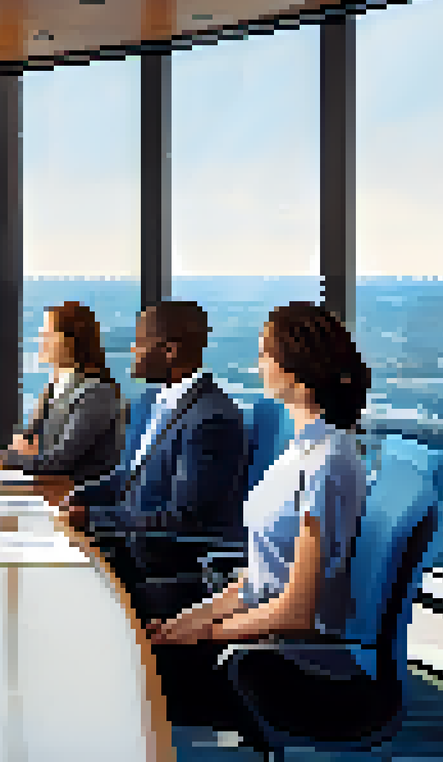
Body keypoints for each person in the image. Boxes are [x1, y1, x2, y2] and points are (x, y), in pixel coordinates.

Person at [144, 302, 371, 730]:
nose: (258, 364)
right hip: (257, 635)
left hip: (280, 665)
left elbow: (295, 613)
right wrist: (192, 619)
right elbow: (261, 576)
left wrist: (207, 634)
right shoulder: (301, 449)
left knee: (124, 670)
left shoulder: (328, 462)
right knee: (135, 641)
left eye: (266, 353)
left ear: (297, 366)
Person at [67, 301, 250, 619]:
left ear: (169, 350)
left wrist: (94, 519)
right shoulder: (151, 401)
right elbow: (131, 476)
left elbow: (184, 518)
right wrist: (80, 495)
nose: (132, 350)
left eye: (140, 342)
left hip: (161, 561)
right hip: (127, 542)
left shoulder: (211, 419)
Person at [0, 301, 122, 483]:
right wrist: (22, 453)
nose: (41, 340)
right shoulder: (53, 387)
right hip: (47, 487)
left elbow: (59, 461)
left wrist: (12, 457)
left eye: (49, 334)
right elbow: (26, 442)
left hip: (77, 497)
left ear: (73, 340)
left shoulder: (97, 393)